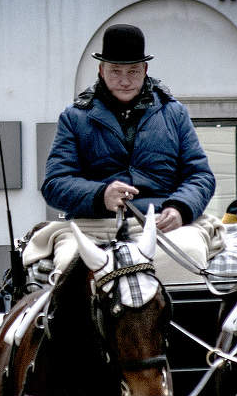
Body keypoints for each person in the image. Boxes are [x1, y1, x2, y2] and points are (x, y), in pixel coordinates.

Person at [28, 24, 223, 284]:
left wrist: (180, 208)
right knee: (70, 269)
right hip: (93, 228)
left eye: (133, 71)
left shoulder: (174, 114)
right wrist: (100, 195)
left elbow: (200, 176)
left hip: (162, 224)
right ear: (101, 70)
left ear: (145, 70)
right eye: (115, 71)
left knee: (189, 256)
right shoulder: (74, 118)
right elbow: (54, 185)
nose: (125, 80)